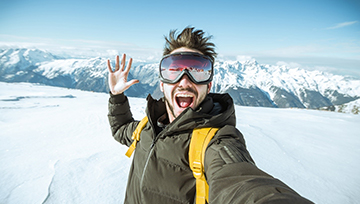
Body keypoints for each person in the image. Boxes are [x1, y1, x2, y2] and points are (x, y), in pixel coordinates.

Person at [107, 27, 313, 204]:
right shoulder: (147, 127)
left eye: (197, 71)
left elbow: (240, 181)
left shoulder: (214, 142)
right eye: (174, 70)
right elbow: (120, 129)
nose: (184, 81)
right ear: (162, 83)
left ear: (209, 85)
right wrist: (117, 97)